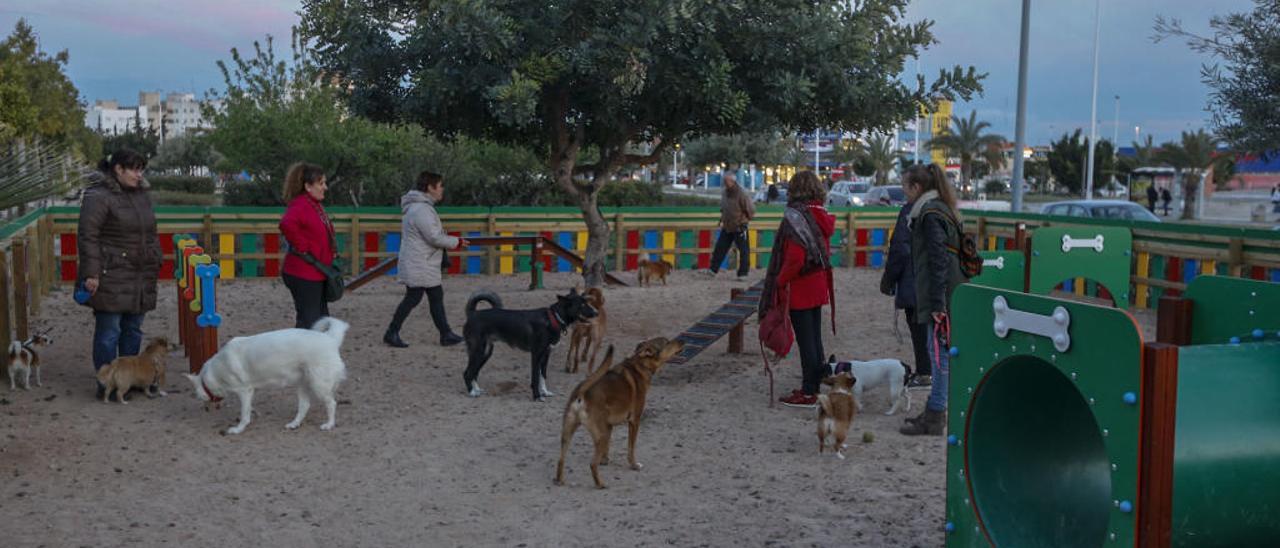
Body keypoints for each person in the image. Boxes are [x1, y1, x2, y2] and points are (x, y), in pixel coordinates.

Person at [77, 148, 162, 398]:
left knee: (133, 328)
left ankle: (130, 378)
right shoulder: (99, 196)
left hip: (140, 272)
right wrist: (91, 272)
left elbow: (151, 232)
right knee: (109, 330)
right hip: (110, 271)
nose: (139, 174)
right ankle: (106, 381)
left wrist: (156, 256)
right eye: (135, 169)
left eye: (141, 169)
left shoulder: (141, 196)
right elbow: (88, 235)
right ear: (118, 169)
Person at [897, 163, 967, 435]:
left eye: (905, 186)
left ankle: (936, 415)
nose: (904, 192)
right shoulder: (942, 208)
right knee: (938, 352)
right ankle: (934, 409)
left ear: (917, 187)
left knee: (937, 354)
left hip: (941, 293)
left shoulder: (928, 213)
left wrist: (938, 303)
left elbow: (938, 260)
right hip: (948, 289)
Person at [761, 171, 836, 408]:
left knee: (806, 340)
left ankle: (809, 391)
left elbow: (795, 257)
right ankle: (817, 379)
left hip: (800, 286)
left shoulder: (796, 218)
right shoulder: (820, 215)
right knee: (814, 336)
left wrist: (779, 281)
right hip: (818, 282)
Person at [383, 171, 468, 348]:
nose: (442, 189)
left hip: (422, 262)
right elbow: (434, 237)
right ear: (430, 187)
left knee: (434, 295)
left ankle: (445, 334)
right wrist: (457, 242)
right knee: (413, 297)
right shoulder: (422, 209)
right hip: (420, 262)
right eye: (440, 186)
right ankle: (392, 332)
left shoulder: (419, 208)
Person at [879, 196, 931, 387]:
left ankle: (925, 372)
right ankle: (935, 373)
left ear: (916, 187)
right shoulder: (943, 207)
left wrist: (888, 279)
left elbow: (900, 249)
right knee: (936, 330)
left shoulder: (911, 210)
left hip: (915, 279)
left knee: (919, 327)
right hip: (937, 279)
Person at [279, 162, 336, 329]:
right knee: (310, 321)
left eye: (324, 183)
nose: (325, 187)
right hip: (303, 273)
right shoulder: (301, 204)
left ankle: (314, 353)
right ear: (308, 186)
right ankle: (300, 354)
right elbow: (286, 223)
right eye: (321, 183)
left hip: (315, 272)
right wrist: (303, 246)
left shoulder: (314, 205)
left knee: (320, 319)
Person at [705, 171, 755, 278]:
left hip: (739, 226)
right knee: (720, 248)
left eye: (726, 181)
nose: (724, 183)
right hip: (727, 225)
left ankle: (743, 273)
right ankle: (713, 269)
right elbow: (724, 207)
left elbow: (750, 209)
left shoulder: (742, 193)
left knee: (743, 250)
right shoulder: (725, 193)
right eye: (724, 181)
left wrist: (745, 220)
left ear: (732, 181)